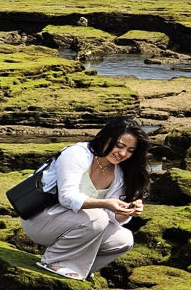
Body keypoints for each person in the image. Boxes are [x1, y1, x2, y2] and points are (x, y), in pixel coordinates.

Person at [23, 116, 150, 280]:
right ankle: (53, 261)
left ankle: (77, 268)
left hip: (77, 224)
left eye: (130, 151)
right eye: (119, 146)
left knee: (123, 239)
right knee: (98, 217)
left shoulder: (118, 173)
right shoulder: (77, 154)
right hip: (41, 218)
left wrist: (126, 211)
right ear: (106, 137)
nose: (123, 153)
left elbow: (112, 215)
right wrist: (105, 204)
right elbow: (67, 198)